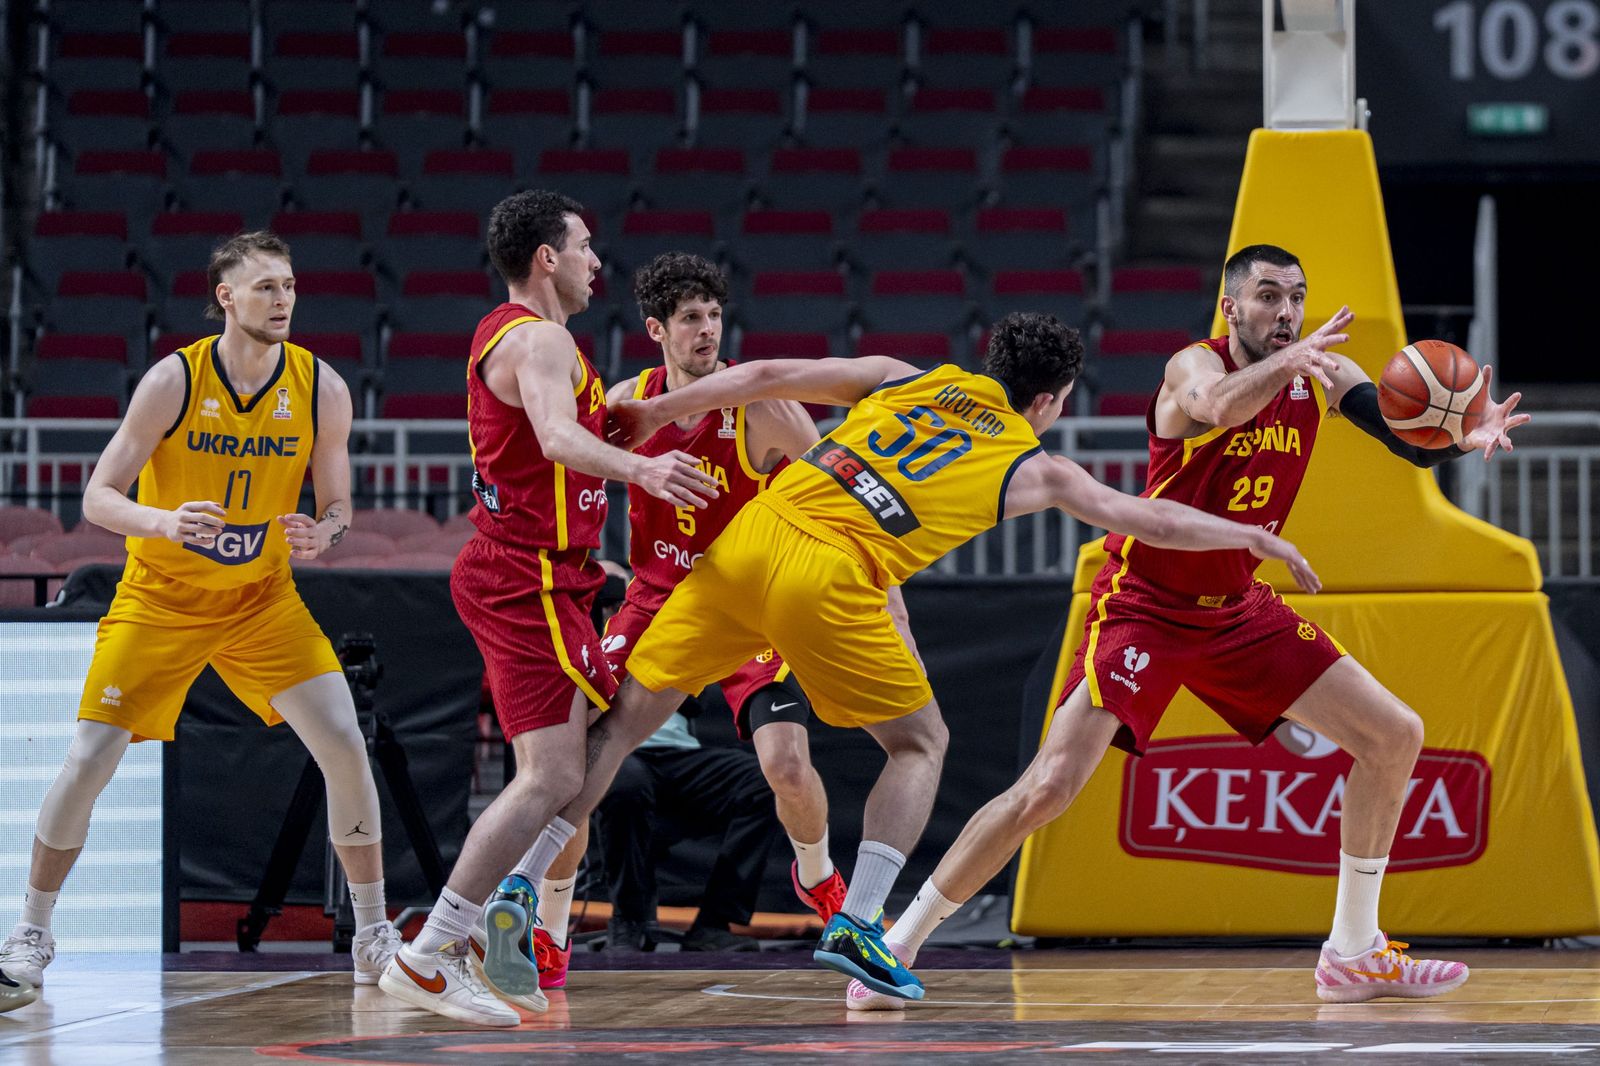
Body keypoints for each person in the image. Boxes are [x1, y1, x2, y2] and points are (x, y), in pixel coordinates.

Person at [496, 309, 1322, 1011]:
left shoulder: (907, 377)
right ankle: (859, 922)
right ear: (1048, 400)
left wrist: (657, 409)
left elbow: (769, 374)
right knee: (921, 743)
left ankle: (522, 883)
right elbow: (1153, 520)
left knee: (619, 730)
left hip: (747, 542)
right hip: (830, 574)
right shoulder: (1037, 466)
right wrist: (1251, 536)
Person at [855, 244, 1530, 1010]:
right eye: (1268, 295)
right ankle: (895, 944)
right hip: (1147, 605)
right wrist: (1294, 361)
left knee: (1393, 735)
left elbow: (1402, 438)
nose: (1286, 311)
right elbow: (1217, 408)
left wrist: (1459, 431)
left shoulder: (1319, 373)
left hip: (1239, 609)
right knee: (1048, 787)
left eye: (1296, 296)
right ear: (1230, 306)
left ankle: (1353, 951)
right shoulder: (1192, 367)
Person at [0, 232, 400, 996]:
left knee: (345, 742)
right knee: (90, 756)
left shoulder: (322, 387)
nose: (282, 300)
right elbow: (97, 497)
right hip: (162, 596)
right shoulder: (173, 380)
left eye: (289, 286)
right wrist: (163, 521)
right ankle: (31, 931)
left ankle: (374, 935)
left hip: (261, 600)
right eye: (265, 287)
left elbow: (339, 504)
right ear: (226, 296)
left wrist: (326, 532)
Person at [376, 191, 719, 1027]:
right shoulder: (539, 338)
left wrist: (629, 429)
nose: (597, 262)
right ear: (546, 258)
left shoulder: (526, 338)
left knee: (599, 737)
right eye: (585, 246)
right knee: (554, 774)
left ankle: (511, 908)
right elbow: (559, 440)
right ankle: (431, 951)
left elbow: (562, 436)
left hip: (552, 575)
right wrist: (643, 469)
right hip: (523, 576)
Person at [525, 252, 882, 986]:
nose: (708, 330)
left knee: (786, 765)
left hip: (747, 607)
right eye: (691, 317)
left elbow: (842, 495)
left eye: (715, 315)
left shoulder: (762, 406)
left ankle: (818, 875)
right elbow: (571, 474)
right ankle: (551, 926)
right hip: (657, 599)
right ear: (657, 328)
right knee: (582, 760)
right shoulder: (627, 402)